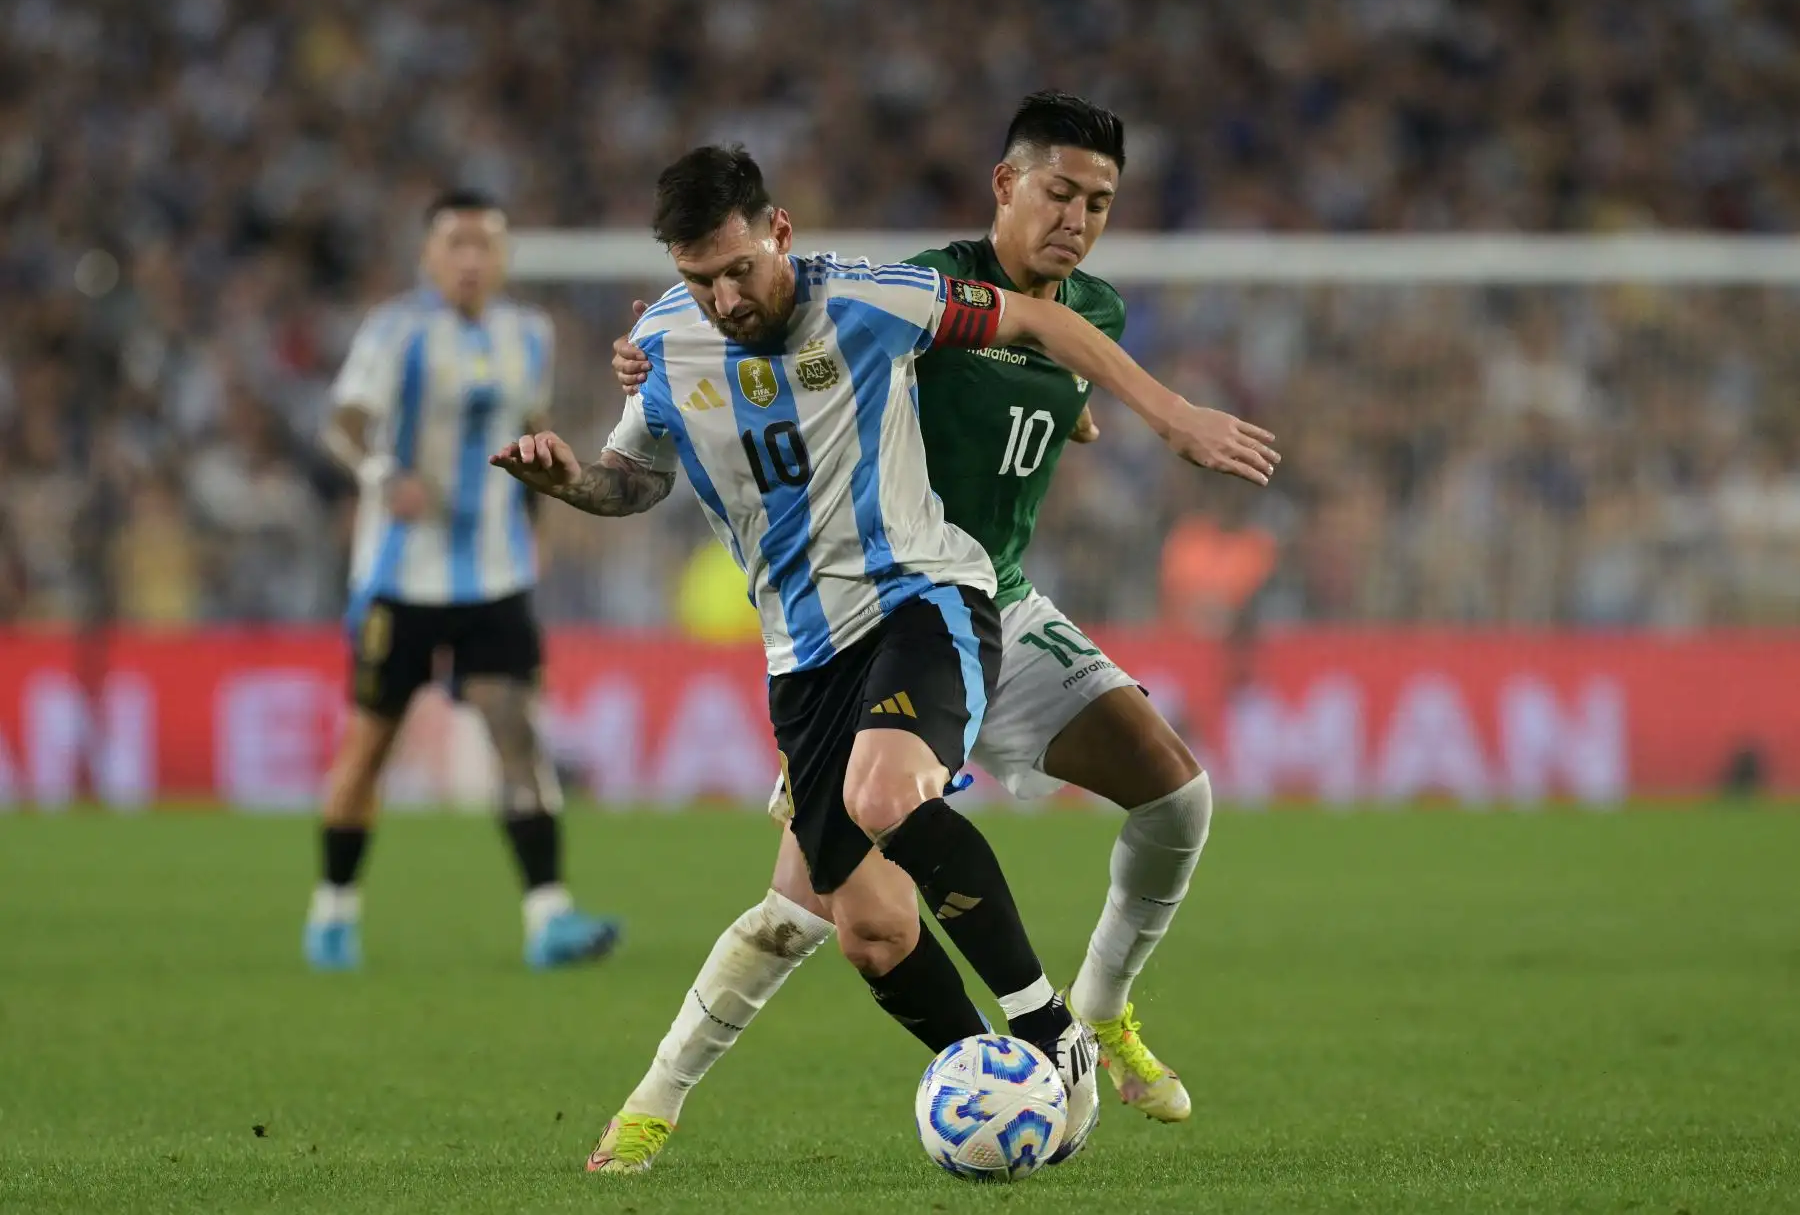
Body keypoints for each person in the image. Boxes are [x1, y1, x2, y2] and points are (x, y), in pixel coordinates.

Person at [494, 141, 1277, 1174]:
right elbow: (633, 481)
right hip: (801, 662)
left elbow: (1037, 317)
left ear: (779, 232)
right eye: (699, 280)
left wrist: (1168, 415)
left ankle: (1050, 1029)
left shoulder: (871, 298)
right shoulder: (666, 341)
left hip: (922, 596)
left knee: (887, 792)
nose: (726, 298)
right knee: (866, 930)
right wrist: (569, 485)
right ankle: (1011, 1091)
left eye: (739, 269)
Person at [305, 190, 620, 972]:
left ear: (505, 257)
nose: (472, 259)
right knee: (368, 750)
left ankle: (549, 917)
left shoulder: (530, 334)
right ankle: (334, 909)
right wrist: (384, 473)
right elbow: (341, 422)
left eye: (486, 245)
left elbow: (537, 435)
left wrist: (539, 527)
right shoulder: (395, 330)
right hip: (401, 578)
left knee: (517, 733)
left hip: (494, 576)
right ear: (428, 255)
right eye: (456, 244)